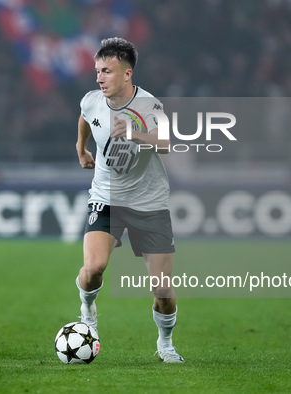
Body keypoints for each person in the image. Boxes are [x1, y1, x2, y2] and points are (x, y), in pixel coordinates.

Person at [75, 37, 184, 363]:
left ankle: (165, 343)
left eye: (106, 71)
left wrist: (133, 133)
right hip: (107, 198)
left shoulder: (149, 105)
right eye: (97, 71)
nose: (99, 78)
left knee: (162, 290)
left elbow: (166, 143)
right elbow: (84, 118)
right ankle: (87, 306)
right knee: (94, 267)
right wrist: (80, 148)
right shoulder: (92, 101)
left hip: (149, 203)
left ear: (127, 73)